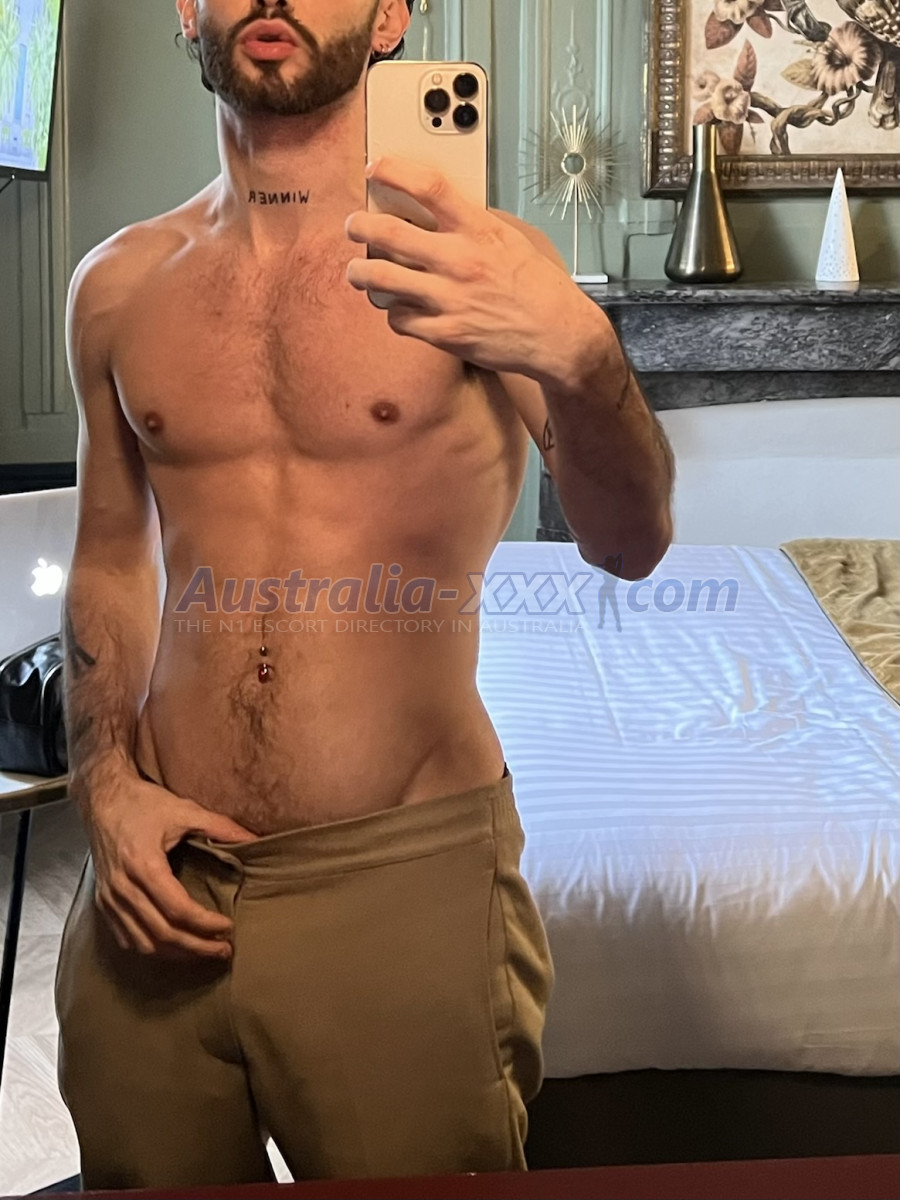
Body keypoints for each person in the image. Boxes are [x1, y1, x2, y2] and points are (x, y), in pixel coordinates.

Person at [55, 0, 675, 1189]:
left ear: (392, 16)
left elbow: (629, 543)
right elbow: (112, 559)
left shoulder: (483, 272)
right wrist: (106, 786)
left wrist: (583, 355)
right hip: (160, 878)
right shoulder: (117, 285)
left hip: (404, 877)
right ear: (187, 9)